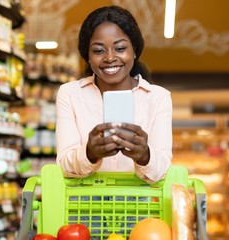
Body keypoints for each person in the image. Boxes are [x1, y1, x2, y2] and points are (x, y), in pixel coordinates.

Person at [55, 5, 173, 184]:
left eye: (120, 48)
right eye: (98, 50)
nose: (110, 58)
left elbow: (163, 171)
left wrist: (145, 156)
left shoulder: (158, 98)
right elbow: (64, 166)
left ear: (135, 51)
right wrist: (89, 153)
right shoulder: (70, 94)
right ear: (87, 55)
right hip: (83, 207)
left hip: (140, 207)